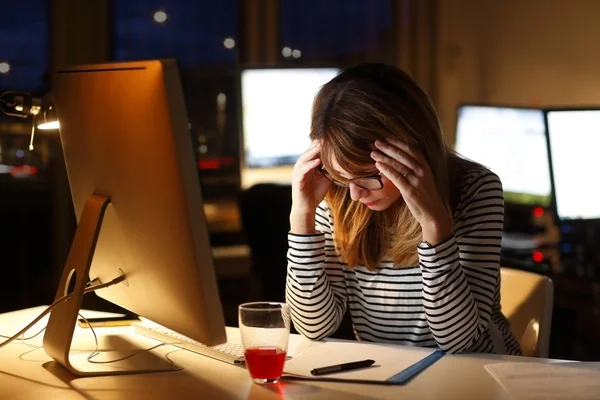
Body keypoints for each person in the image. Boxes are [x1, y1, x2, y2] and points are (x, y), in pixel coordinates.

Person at [285, 63, 522, 355]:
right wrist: (302, 217)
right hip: (391, 376)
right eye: (342, 178)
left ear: (412, 148)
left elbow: (459, 341)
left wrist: (434, 224)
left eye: (368, 177)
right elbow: (314, 326)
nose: (356, 194)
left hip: (476, 374)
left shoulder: (476, 188)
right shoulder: (338, 195)